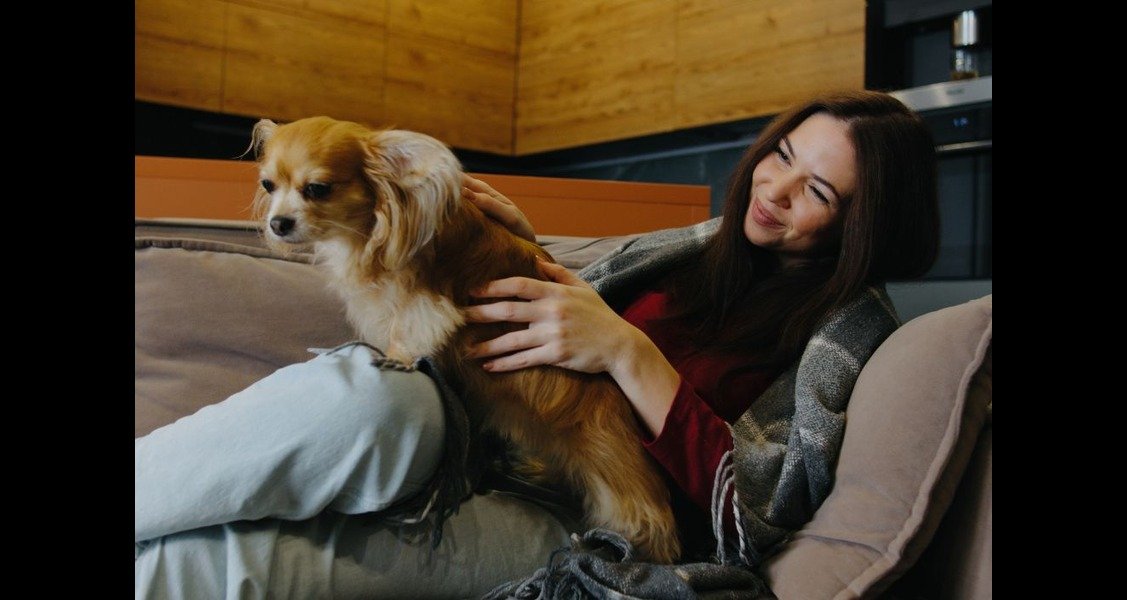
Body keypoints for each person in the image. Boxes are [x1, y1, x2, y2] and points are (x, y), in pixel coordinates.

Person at [135, 89, 939, 598]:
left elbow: (758, 514)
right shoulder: (698, 247)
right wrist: (528, 248)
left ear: (864, 225)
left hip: (576, 510)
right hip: (475, 428)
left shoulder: (846, 336)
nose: (774, 187)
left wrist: (630, 354)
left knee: (224, 562)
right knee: (367, 399)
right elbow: (558, 314)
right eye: (782, 155)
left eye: (817, 191)